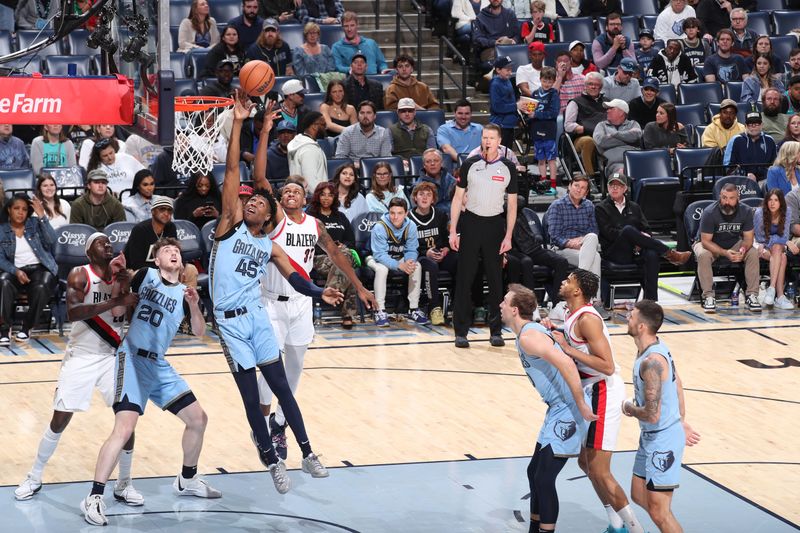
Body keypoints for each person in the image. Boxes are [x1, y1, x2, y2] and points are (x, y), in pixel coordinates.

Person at [209, 92, 343, 494]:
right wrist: (239, 123)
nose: (250, 203)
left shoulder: (270, 245)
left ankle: (307, 451)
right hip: (230, 328)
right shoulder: (228, 226)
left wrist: (321, 292)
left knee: (283, 390)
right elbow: (234, 168)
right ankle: (271, 462)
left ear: (268, 215)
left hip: (256, 318)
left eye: (257, 203)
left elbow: (297, 278)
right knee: (253, 401)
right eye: (248, 201)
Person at [79, 237, 217, 526]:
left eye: (177, 251)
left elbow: (200, 331)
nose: (173, 253)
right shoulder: (147, 275)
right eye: (167, 250)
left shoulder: (185, 292)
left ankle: (187, 479)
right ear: (157, 260)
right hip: (131, 359)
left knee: (198, 419)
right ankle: (93, 496)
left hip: (159, 365)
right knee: (124, 428)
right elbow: (118, 305)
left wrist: (193, 306)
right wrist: (119, 277)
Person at [14, 235, 140, 503]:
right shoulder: (79, 274)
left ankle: (124, 483)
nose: (107, 245)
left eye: (109, 242)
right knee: (60, 418)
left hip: (111, 356)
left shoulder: (120, 276)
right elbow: (73, 313)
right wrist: (112, 301)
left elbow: (127, 315)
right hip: (81, 356)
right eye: (100, 243)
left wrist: (126, 286)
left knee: (126, 419)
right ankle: (34, 476)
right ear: (89, 252)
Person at [256, 175, 375, 459]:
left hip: (301, 302)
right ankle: (259, 424)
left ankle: (279, 424)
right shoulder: (274, 220)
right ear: (280, 198)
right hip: (271, 301)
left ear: (305, 197)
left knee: (295, 366)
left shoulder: (315, 225)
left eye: (296, 191)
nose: (291, 194)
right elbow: (261, 179)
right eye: (286, 191)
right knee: (270, 364)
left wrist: (359, 287)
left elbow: (335, 253)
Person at [545, 269, 647, 533]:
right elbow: (579, 343)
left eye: (569, 280)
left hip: (603, 390)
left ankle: (636, 529)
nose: (563, 282)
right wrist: (556, 330)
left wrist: (566, 349)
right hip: (592, 390)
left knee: (600, 470)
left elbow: (608, 365)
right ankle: (616, 525)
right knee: (585, 463)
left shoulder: (588, 318)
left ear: (578, 291)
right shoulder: (571, 313)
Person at [500, 283, 595, 533]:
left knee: (544, 477)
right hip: (557, 407)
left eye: (504, 301)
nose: (500, 305)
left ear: (515, 310)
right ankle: (535, 528)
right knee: (534, 472)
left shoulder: (530, 336)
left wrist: (581, 403)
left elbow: (566, 362)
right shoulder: (529, 331)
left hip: (568, 407)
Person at [624, 300, 701, 533]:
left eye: (632, 316)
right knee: (638, 494)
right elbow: (678, 384)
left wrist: (628, 407)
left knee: (659, 512)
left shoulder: (652, 362)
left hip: (662, 439)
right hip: (652, 436)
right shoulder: (655, 348)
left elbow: (652, 414)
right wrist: (681, 420)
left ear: (641, 327)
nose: (628, 317)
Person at [449, 123, 517, 348]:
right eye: (484, 137)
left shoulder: (508, 167)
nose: (487, 141)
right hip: (471, 224)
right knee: (465, 279)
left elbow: (513, 205)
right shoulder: (470, 164)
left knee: (496, 281)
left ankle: (496, 331)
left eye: (492, 138)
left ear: (499, 141)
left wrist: (508, 236)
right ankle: (461, 331)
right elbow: (458, 200)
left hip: (495, 226)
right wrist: (453, 231)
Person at [596, 173, 691, 299]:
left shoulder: (634, 207)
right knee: (628, 230)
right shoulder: (600, 208)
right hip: (615, 253)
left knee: (651, 253)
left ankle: (650, 301)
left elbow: (647, 230)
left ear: (625, 189)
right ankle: (669, 253)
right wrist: (634, 238)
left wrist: (641, 240)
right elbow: (609, 234)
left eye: (618, 185)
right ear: (607, 188)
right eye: (612, 185)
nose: (615, 188)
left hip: (636, 251)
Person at [692, 183, 760, 313]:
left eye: (731, 198)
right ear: (719, 197)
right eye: (724, 197)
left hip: (733, 243)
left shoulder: (746, 211)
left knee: (752, 252)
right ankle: (708, 297)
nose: (727, 202)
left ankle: (752, 295)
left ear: (738, 198)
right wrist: (724, 253)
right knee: (703, 255)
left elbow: (748, 239)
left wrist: (742, 250)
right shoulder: (710, 212)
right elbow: (705, 241)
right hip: (709, 244)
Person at [545, 175, 606, 317]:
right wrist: (569, 242)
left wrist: (582, 241)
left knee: (592, 241)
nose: (579, 190)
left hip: (584, 246)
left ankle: (587, 296)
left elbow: (594, 231)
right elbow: (554, 235)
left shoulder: (589, 206)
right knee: (595, 257)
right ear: (569, 186)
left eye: (583, 188)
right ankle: (593, 300)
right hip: (562, 249)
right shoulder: (557, 206)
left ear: (586, 192)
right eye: (576, 185)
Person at [0, 194, 58, 343]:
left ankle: (27, 327)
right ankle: (4, 330)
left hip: (39, 269)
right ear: (9, 210)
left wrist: (42, 216)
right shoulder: (2, 230)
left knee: (42, 285)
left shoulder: (35, 223)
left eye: (24, 209)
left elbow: (52, 240)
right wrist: (16, 271)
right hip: (15, 270)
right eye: (16, 208)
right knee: (3, 282)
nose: (20, 212)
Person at [367, 197, 428, 326]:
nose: (395, 217)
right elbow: (380, 255)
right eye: (392, 213)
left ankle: (413, 309)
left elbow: (412, 249)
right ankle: (380, 310)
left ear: (406, 213)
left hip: (397, 257)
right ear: (388, 212)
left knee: (416, 266)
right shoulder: (380, 226)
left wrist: (409, 262)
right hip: (373, 257)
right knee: (382, 269)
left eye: (399, 213)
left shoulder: (410, 225)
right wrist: (400, 266)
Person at [305, 182, 359, 328]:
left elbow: (351, 241)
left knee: (345, 259)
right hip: (319, 257)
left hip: (341, 256)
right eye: (323, 194)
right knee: (348, 269)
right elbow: (308, 242)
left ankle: (331, 291)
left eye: (330, 195)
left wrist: (343, 246)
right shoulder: (310, 217)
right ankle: (347, 315)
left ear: (335, 198)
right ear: (317, 196)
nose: (326, 198)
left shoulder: (341, 217)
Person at [408, 182, 455, 326]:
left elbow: (447, 238)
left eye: (429, 195)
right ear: (415, 198)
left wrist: (446, 249)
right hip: (420, 256)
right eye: (421, 194)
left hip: (440, 253)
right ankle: (434, 307)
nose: (425, 197)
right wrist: (425, 252)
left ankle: (457, 305)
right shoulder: (408, 218)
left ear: (433, 199)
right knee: (431, 266)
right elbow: (408, 246)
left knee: (460, 261)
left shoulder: (440, 215)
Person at [508, 195, 569, 305]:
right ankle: (532, 305)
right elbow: (504, 207)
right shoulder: (496, 208)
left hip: (530, 246)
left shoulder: (516, 203)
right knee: (527, 262)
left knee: (561, 262)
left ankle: (558, 304)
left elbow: (522, 200)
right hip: (513, 249)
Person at [753, 189, 795, 310]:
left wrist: (781, 241)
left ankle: (771, 290)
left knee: (778, 251)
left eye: (776, 200)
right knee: (782, 257)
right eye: (770, 200)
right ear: (766, 201)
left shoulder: (787, 212)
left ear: (781, 202)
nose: (772, 203)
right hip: (760, 244)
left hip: (776, 247)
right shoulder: (759, 213)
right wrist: (783, 241)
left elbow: (785, 235)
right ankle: (780, 296)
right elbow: (760, 237)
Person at [564, 73, 607, 177]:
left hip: (604, 136)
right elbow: (568, 125)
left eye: (596, 84)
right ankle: (590, 177)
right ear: (585, 85)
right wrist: (583, 128)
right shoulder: (575, 102)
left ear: (600, 87)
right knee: (588, 141)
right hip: (582, 137)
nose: (593, 87)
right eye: (590, 84)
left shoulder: (607, 102)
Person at [527, 66, 559, 194]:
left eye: (550, 81)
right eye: (545, 81)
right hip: (536, 130)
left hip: (549, 131)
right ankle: (542, 184)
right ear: (540, 79)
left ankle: (553, 186)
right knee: (540, 159)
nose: (547, 84)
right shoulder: (535, 93)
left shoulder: (554, 94)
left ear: (554, 81)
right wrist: (527, 113)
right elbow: (531, 110)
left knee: (551, 159)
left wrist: (537, 115)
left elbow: (554, 113)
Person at [593, 99, 643, 177]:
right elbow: (602, 142)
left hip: (635, 160)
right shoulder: (601, 125)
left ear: (621, 112)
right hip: (615, 163)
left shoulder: (633, 124)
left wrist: (614, 134)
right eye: (607, 109)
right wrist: (628, 140)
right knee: (621, 171)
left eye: (611, 108)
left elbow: (636, 136)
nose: (607, 111)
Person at [723, 111, 777, 182]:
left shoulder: (769, 140)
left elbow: (775, 164)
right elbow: (728, 167)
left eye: (756, 123)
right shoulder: (736, 140)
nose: (753, 126)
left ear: (761, 125)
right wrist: (745, 175)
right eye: (750, 124)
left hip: (766, 180)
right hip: (741, 180)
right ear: (745, 125)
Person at [287, 111, 329, 190]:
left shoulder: (300, 143)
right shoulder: (309, 149)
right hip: (312, 199)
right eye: (323, 125)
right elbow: (311, 183)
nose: (325, 128)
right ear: (314, 126)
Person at [472, 0, 519, 65]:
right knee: (505, 58)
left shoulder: (510, 14)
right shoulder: (481, 17)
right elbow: (477, 39)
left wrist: (513, 40)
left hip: (509, 48)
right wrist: (494, 42)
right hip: (489, 49)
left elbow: (517, 35)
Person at [436, 99, 483, 164]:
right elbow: (446, 149)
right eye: (460, 113)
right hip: (455, 164)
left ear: (471, 114)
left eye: (467, 113)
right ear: (454, 113)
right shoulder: (444, 129)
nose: (463, 117)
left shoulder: (479, 128)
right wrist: (464, 162)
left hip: (477, 165)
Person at [489, 56, 518, 149]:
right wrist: (516, 106)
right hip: (500, 125)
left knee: (507, 153)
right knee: (501, 153)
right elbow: (497, 107)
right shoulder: (495, 84)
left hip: (509, 124)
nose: (510, 72)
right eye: (507, 69)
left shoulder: (507, 80)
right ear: (498, 70)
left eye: (511, 69)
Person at [415, 148, 457, 213]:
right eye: (428, 161)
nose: (432, 163)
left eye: (436, 160)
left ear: (441, 163)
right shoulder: (418, 186)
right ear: (424, 165)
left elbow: (459, 203)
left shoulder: (452, 181)